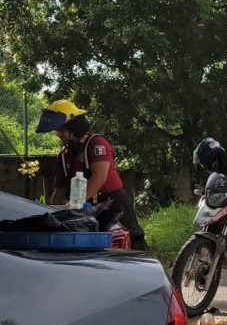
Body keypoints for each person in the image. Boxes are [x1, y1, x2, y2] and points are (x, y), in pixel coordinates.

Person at [36, 99, 148, 251]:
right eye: (58, 131)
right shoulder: (64, 156)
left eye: (62, 131)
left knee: (130, 245)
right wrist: (52, 216)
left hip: (112, 205)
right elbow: (59, 190)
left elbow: (99, 178)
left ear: (74, 128)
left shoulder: (97, 144)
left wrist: (74, 206)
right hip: (84, 208)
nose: (59, 135)